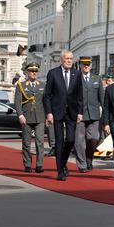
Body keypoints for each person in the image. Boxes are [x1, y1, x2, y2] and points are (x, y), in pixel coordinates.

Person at [43, 50, 83, 181]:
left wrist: (80, 112)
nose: (69, 61)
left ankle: (63, 162)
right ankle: (60, 171)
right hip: (57, 112)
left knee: (70, 140)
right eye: (67, 58)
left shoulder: (77, 74)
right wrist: (49, 113)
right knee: (59, 141)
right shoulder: (53, 73)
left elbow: (80, 95)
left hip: (72, 112)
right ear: (61, 60)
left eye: (71, 58)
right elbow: (47, 95)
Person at [74, 56, 104, 173]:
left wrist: (105, 113)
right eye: (84, 64)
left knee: (94, 138)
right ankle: (82, 165)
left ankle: (89, 159)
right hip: (79, 115)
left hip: (94, 114)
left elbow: (102, 97)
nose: (86, 66)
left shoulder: (96, 78)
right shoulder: (75, 78)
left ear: (91, 65)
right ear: (80, 65)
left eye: (88, 64)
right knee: (79, 142)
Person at [14, 63, 45, 173]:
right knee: (26, 143)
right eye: (32, 71)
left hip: (40, 117)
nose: (34, 73)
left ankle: (39, 165)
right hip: (26, 117)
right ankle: (27, 164)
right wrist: (20, 115)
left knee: (40, 142)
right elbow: (17, 102)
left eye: (35, 71)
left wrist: (49, 115)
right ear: (27, 72)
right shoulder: (21, 85)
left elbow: (46, 102)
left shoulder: (42, 85)